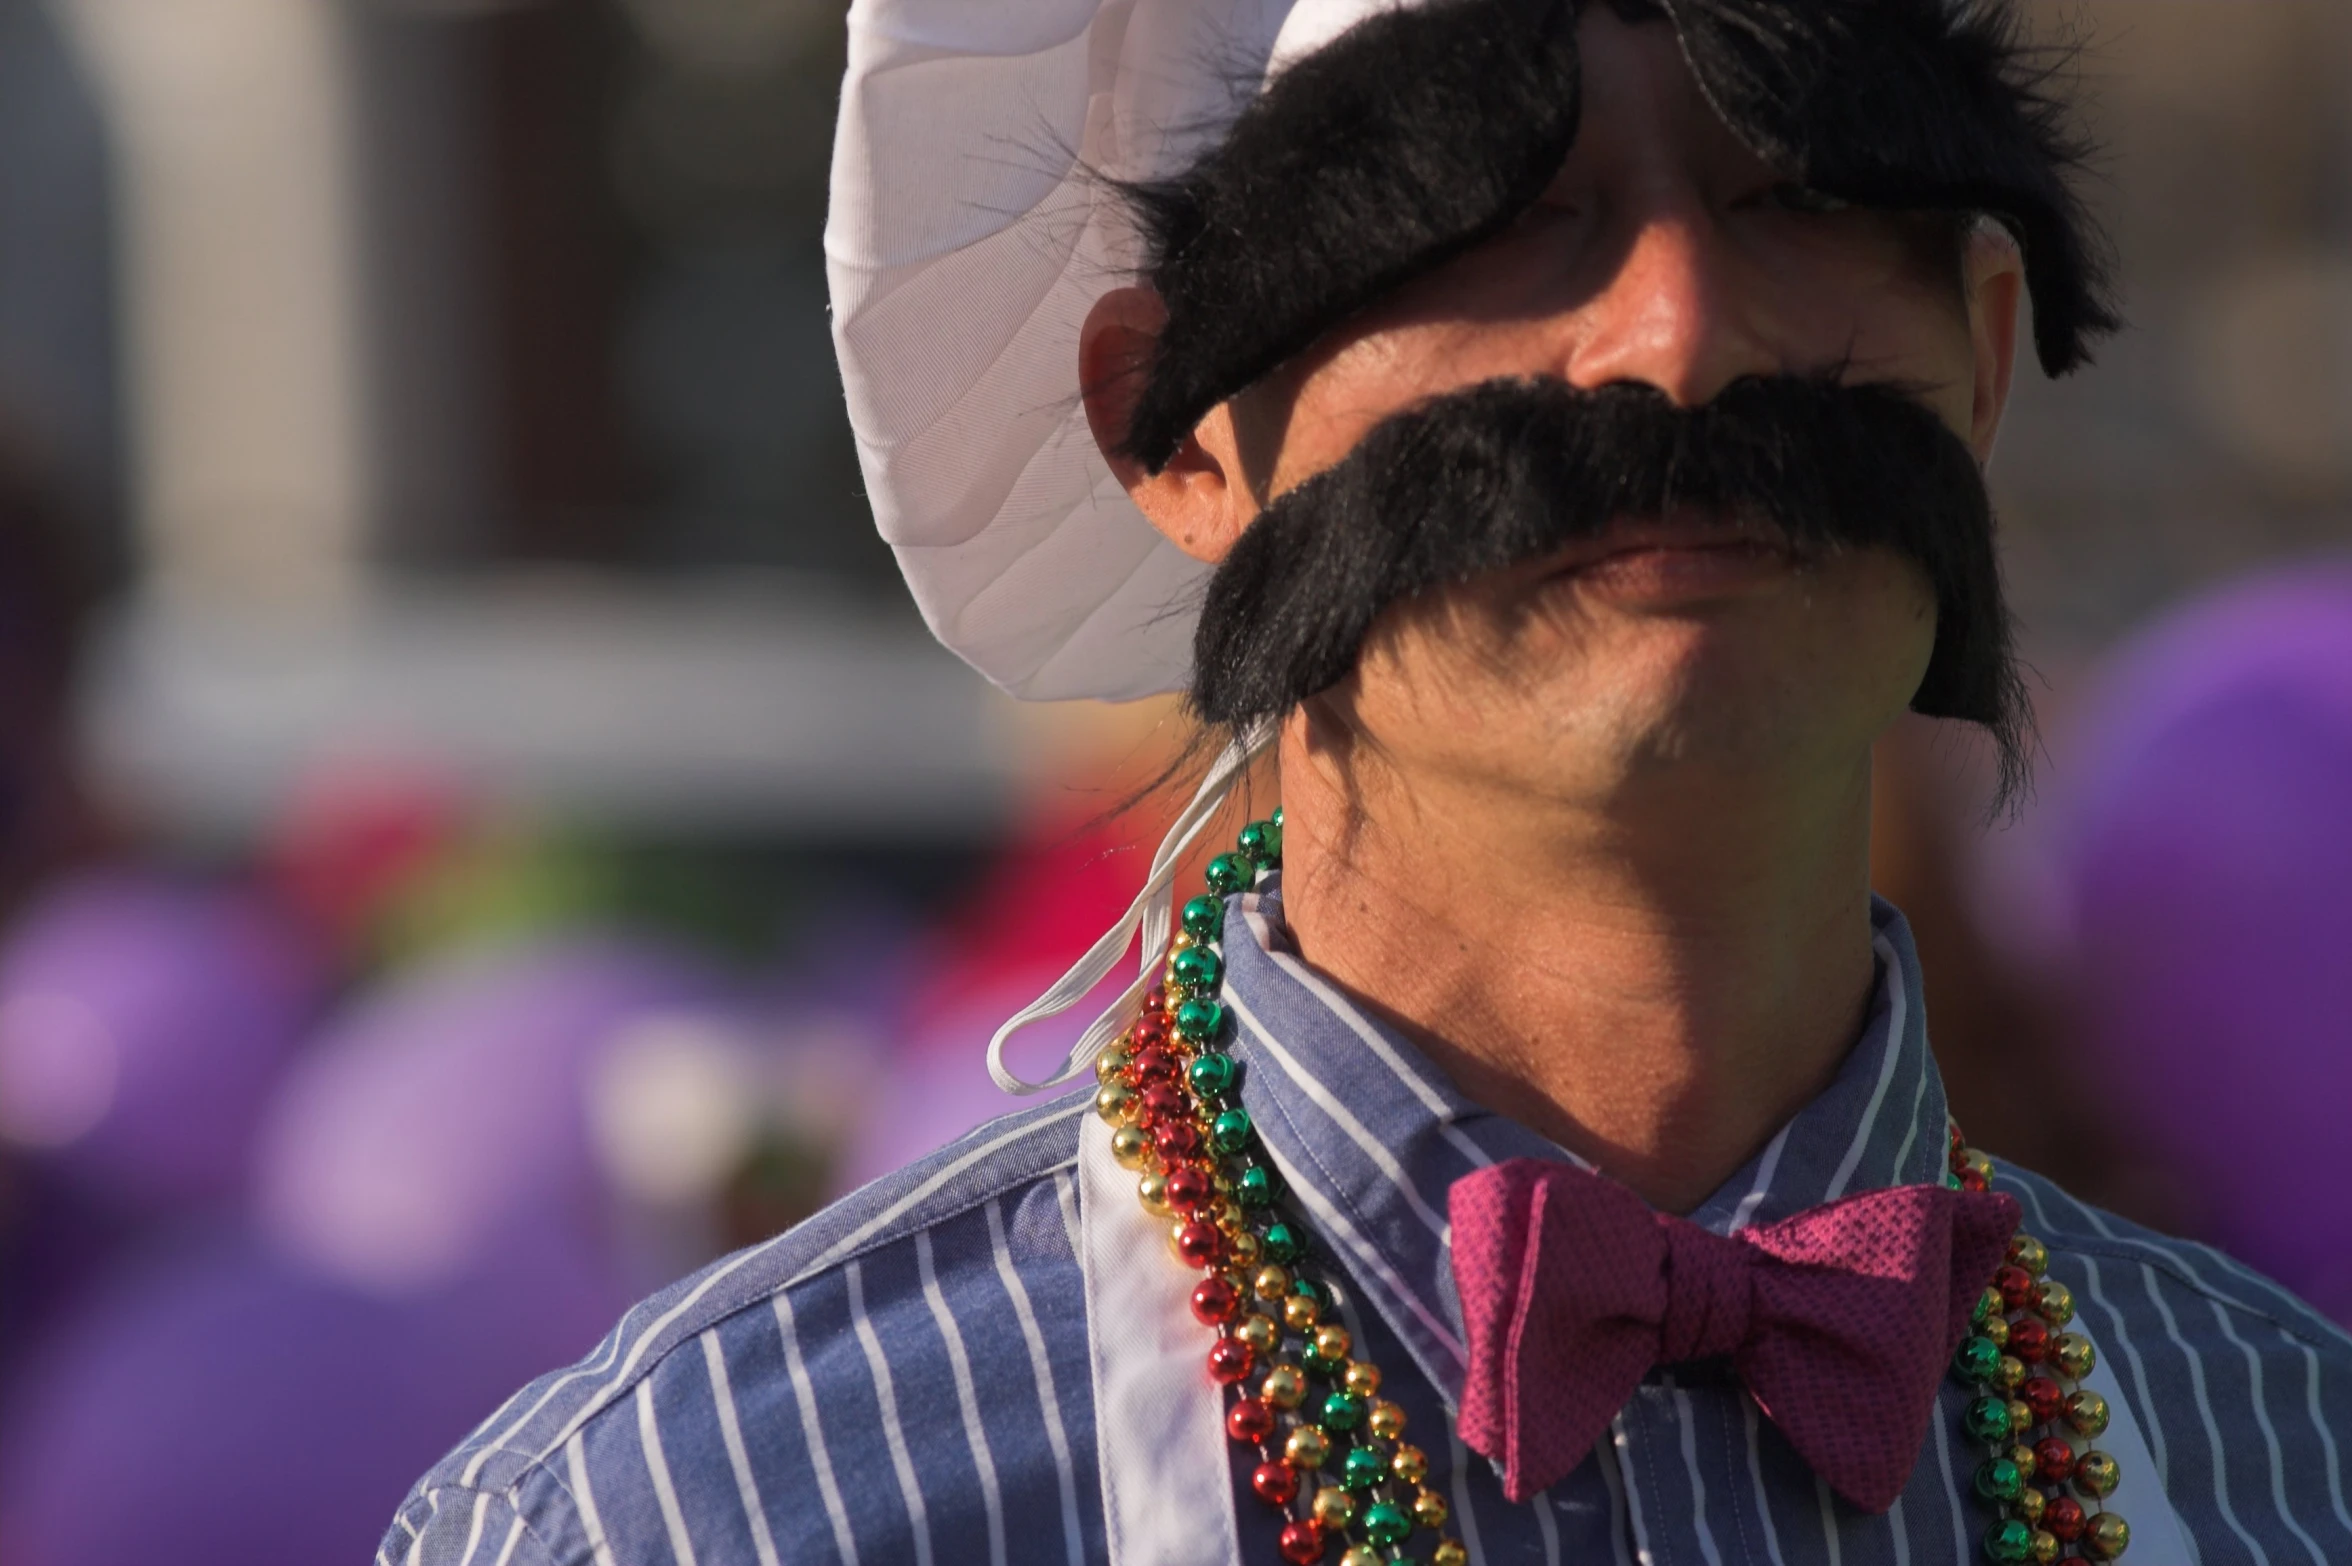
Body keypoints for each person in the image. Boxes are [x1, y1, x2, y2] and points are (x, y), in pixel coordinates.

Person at [384, 2, 2352, 1562]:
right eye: (1493, 208)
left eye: (1814, 186)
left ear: (1986, 360)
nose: (1680, 335)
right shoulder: (709, 1516)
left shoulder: (2279, 1457)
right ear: (1173, 437)